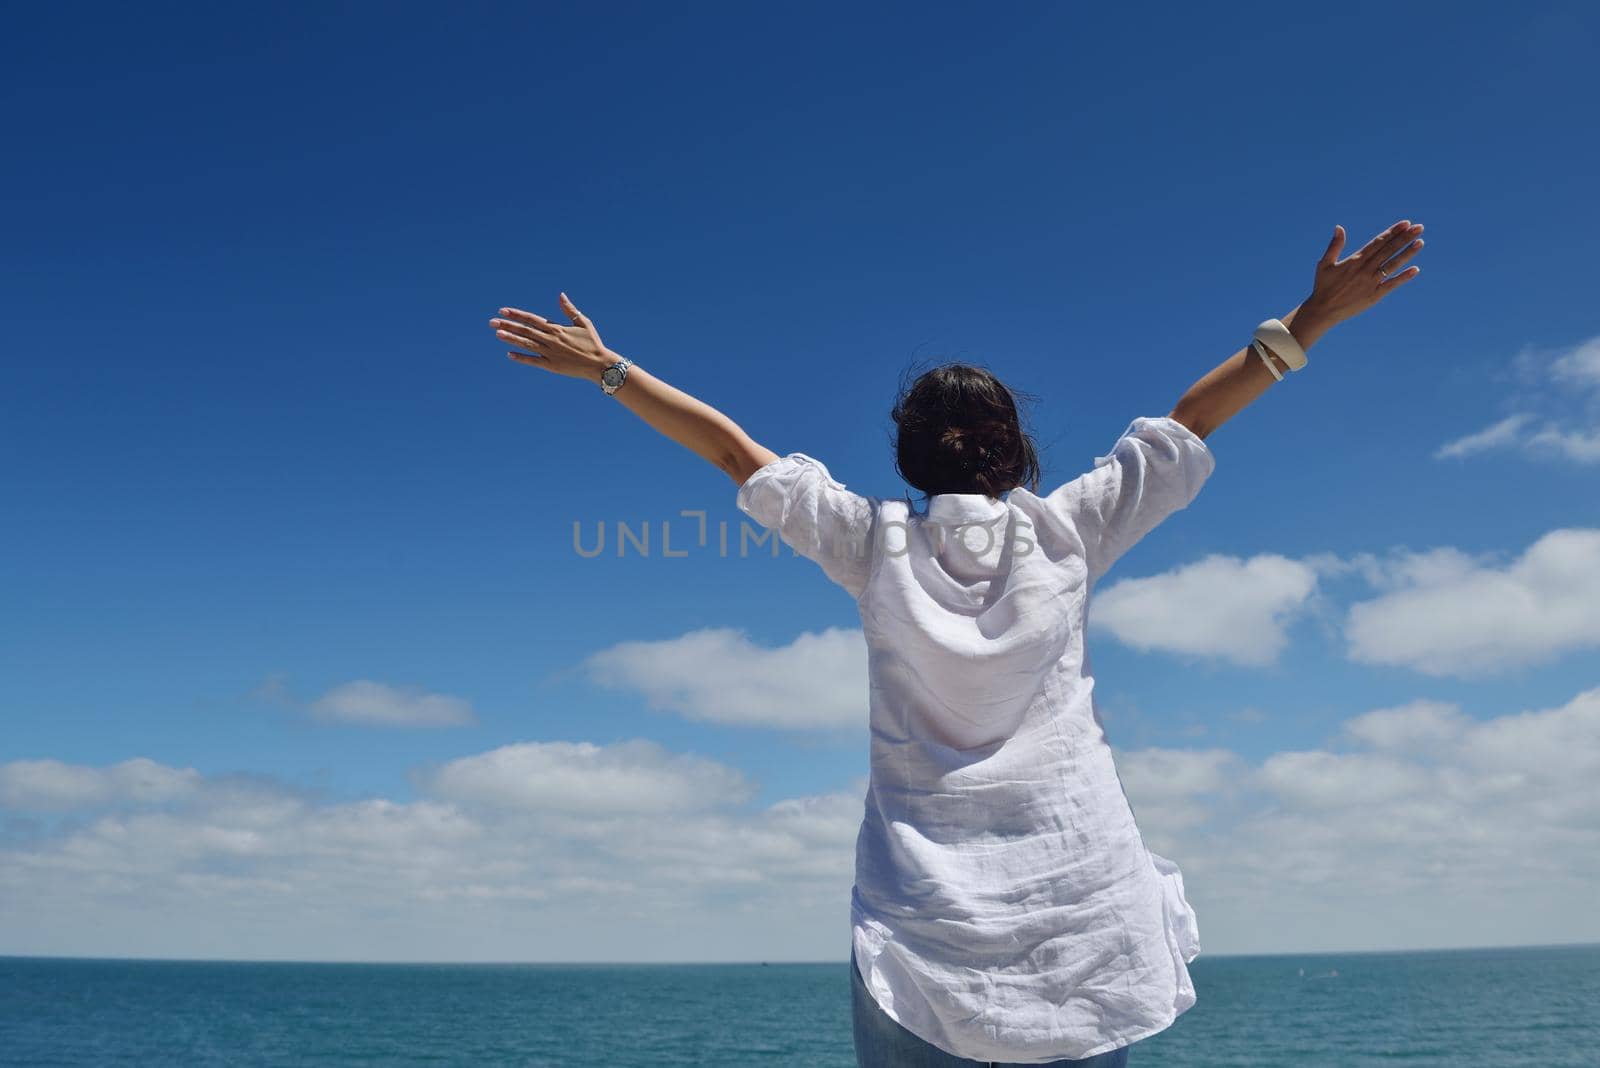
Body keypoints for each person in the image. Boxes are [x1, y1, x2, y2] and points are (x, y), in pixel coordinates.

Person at [488, 219, 1425, 1066]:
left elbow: (736, 453)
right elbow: (1192, 420)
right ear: (1013, 450)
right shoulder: (1070, 531)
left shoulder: (870, 541)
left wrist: (610, 371)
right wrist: (1309, 318)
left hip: (920, 925)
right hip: (1084, 911)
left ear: (909, 457)